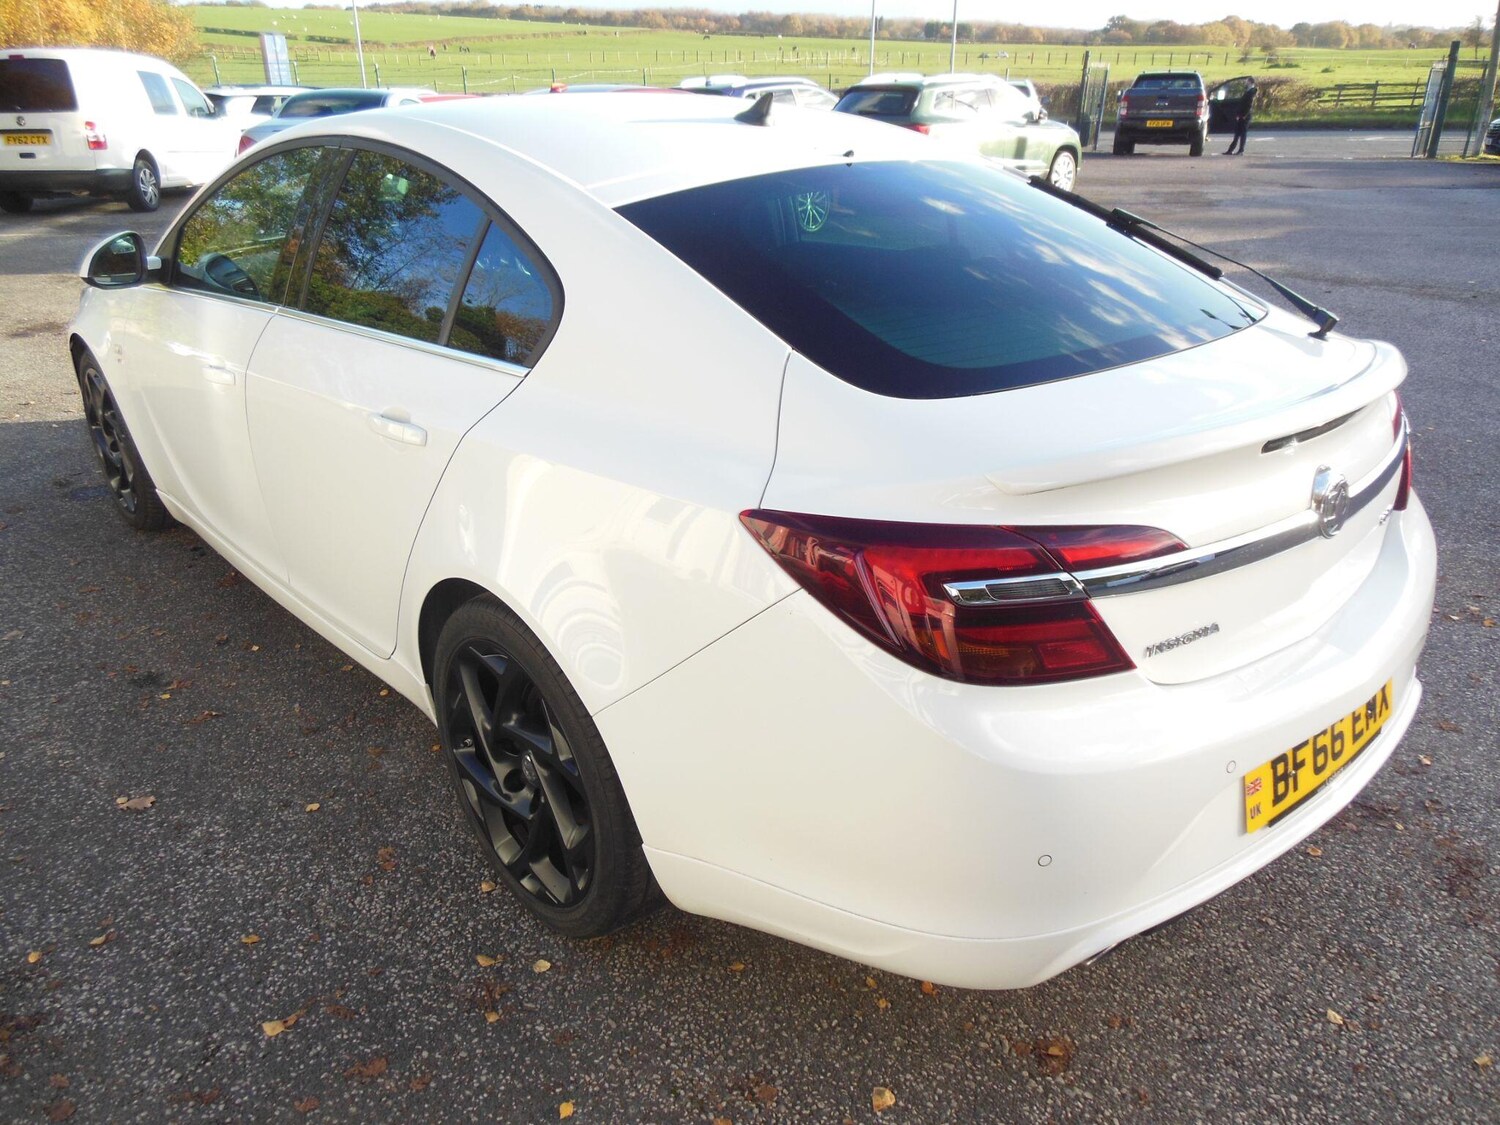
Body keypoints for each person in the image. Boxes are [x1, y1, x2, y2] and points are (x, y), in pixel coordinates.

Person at [1225, 79, 1257, 155]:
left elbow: (1249, 105)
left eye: (1247, 81)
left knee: (1242, 133)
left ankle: (1240, 150)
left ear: (1251, 82)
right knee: (1237, 133)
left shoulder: (1251, 92)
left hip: (1245, 116)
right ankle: (1231, 150)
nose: (1246, 83)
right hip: (1241, 115)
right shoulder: (1248, 91)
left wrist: (1244, 115)